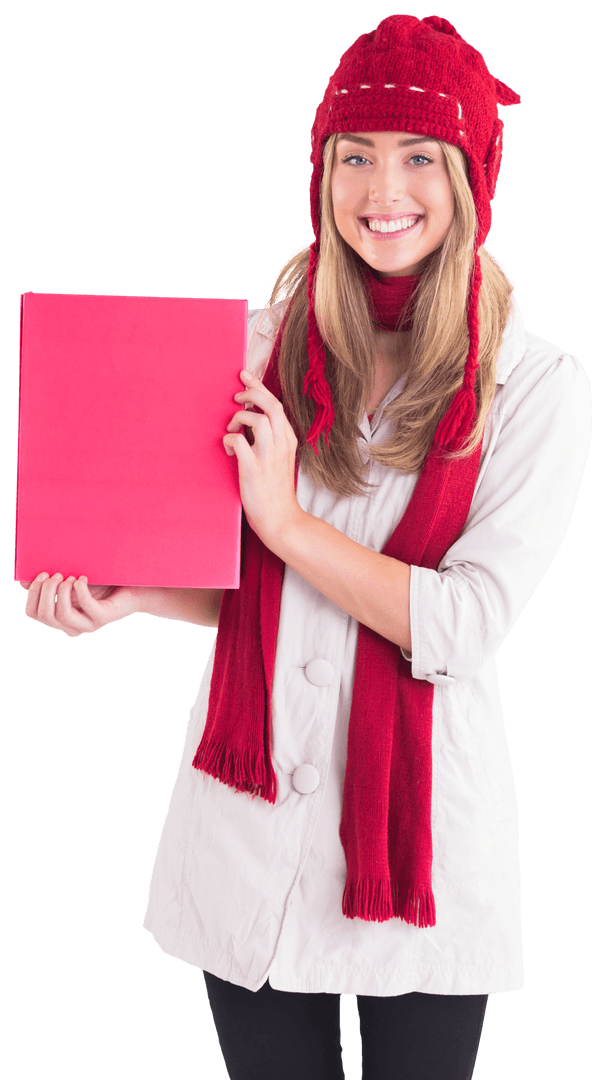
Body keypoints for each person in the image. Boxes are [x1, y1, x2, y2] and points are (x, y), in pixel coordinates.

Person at [19, 14, 591, 1080]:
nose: (386, 188)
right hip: (248, 822)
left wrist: (285, 519)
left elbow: (461, 624)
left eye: (421, 156)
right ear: (320, 175)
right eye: (355, 156)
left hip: (416, 851)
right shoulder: (250, 350)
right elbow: (253, 588)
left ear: (468, 179)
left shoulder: (537, 388)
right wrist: (132, 590)